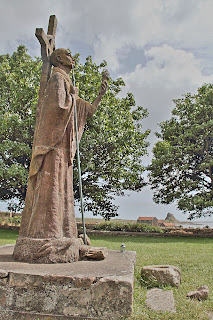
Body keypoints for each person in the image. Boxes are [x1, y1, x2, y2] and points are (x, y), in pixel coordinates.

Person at [13, 48, 108, 263]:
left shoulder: (66, 81)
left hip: (63, 150)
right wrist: (73, 97)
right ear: (58, 59)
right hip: (54, 147)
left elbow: (87, 111)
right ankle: (47, 233)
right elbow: (57, 108)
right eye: (68, 55)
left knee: (62, 191)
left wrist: (100, 95)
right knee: (52, 189)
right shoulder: (57, 78)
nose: (73, 58)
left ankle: (64, 233)